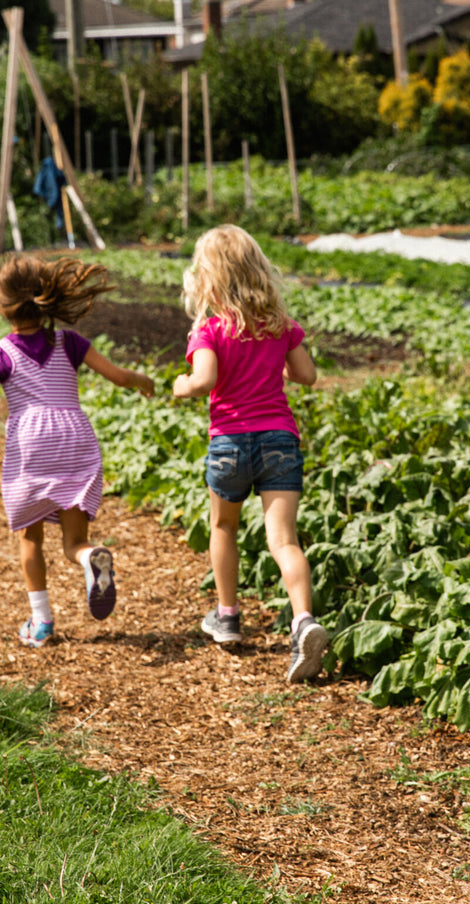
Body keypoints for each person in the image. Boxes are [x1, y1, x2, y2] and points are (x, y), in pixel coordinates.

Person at [0, 255, 155, 648]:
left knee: (30, 537)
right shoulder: (70, 342)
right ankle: (89, 557)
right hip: (75, 436)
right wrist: (141, 380)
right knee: (72, 541)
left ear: (1, 306)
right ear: (44, 299)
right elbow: (118, 376)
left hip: (32, 442)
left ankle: (42, 622)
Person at [172, 224, 326, 683]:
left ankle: (228, 616)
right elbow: (307, 376)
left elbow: (202, 382)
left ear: (208, 278)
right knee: (284, 540)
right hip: (279, 439)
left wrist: (182, 387)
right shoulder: (281, 325)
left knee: (224, 526)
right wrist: (274, 354)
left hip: (231, 443)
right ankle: (303, 620)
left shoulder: (210, 330)